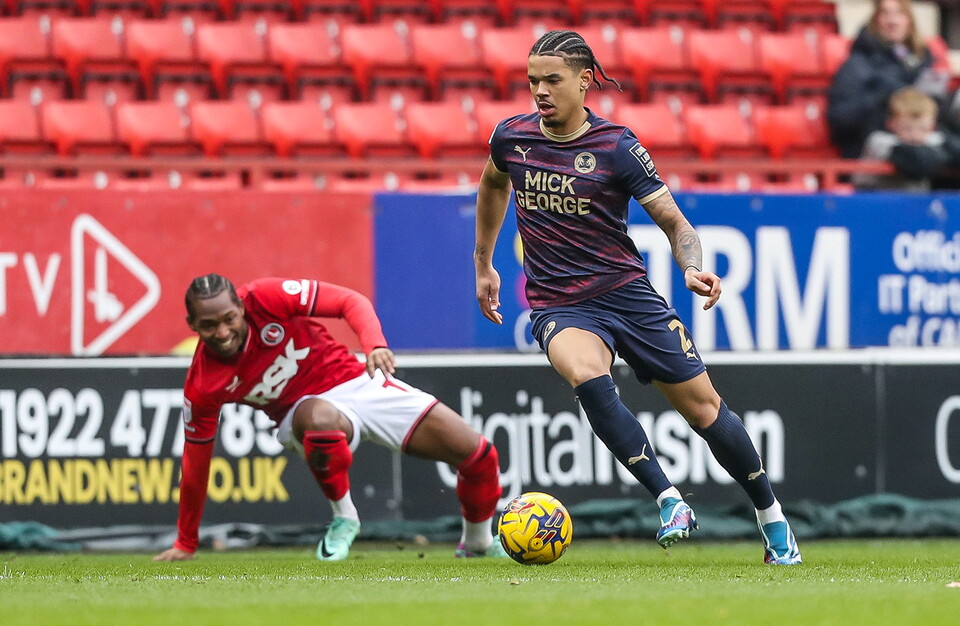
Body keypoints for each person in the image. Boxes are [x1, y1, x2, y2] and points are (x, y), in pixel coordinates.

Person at [473, 30, 801, 565]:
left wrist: (692, 268)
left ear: (583, 82)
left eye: (552, 80)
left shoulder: (617, 147)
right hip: (560, 303)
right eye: (532, 81)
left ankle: (772, 519)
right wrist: (483, 262)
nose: (539, 91)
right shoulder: (511, 138)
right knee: (584, 374)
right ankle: (670, 499)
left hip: (629, 296)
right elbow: (492, 185)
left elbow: (675, 223)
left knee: (705, 411)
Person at [154, 274, 504, 562]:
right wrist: (186, 541)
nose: (222, 331)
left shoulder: (266, 298)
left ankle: (476, 543)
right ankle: (344, 519)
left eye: (229, 319)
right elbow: (195, 464)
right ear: (192, 326)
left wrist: (375, 344)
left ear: (242, 308)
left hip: (359, 381)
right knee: (320, 418)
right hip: (301, 412)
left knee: (478, 456)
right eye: (208, 325)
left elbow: (349, 301)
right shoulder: (203, 384)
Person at [827, 0, 949, 158]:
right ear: (875, 20)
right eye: (886, 14)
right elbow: (840, 119)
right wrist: (881, 96)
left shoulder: (923, 62)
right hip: (874, 150)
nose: (893, 21)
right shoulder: (857, 65)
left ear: (909, 20)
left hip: (923, 141)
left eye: (900, 13)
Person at [855, 86, 949, 191]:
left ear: (932, 126)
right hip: (872, 198)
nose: (915, 135)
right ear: (891, 124)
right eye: (907, 128)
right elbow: (911, 157)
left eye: (923, 128)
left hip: (916, 201)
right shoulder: (879, 141)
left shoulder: (934, 139)